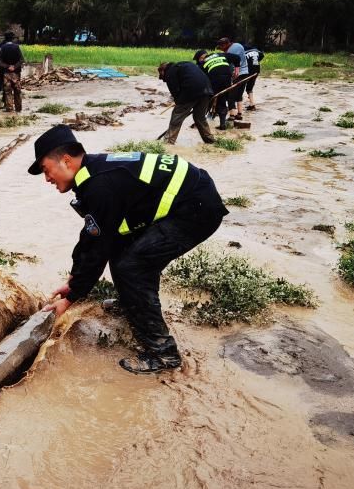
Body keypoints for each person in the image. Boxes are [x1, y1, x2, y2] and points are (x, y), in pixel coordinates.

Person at [32, 125, 228, 373]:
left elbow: (98, 246)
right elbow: (94, 236)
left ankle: (164, 355)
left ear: (66, 161)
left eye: (46, 170)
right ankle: (132, 303)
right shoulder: (94, 172)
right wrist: (75, 279)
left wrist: (71, 298)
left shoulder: (99, 184)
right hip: (190, 198)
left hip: (196, 210)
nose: (46, 178)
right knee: (122, 250)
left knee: (133, 266)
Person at [157, 61, 215, 144]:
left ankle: (168, 142)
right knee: (200, 117)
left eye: (161, 76)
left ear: (163, 71)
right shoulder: (184, 64)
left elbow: (176, 93)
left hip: (191, 91)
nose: (163, 79)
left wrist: (180, 107)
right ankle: (210, 140)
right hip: (207, 91)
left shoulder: (170, 72)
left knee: (177, 116)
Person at [195, 49, 237, 131]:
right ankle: (223, 123)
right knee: (223, 99)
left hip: (216, 79)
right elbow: (237, 57)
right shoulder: (219, 55)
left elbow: (202, 79)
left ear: (202, 57)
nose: (199, 61)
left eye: (199, 59)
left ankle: (202, 121)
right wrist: (237, 68)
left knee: (209, 99)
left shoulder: (203, 63)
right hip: (227, 78)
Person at [217, 37, 248, 121]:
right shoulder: (238, 45)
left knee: (230, 95)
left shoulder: (231, 51)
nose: (222, 50)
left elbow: (230, 67)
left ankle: (232, 116)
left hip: (237, 74)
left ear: (226, 44)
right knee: (239, 95)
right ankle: (239, 114)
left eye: (221, 47)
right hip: (245, 73)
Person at [0, 31, 23, 112]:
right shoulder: (17, 47)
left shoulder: (2, 48)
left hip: (6, 73)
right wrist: (14, 66)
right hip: (16, 73)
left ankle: (9, 108)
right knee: (17, 91)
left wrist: (7, 66)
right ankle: (18, 109)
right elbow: (21, 60)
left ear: (5, 38)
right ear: (13, 38)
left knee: (8, 91)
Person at [244, 45, 265, 110]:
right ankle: (252, 104)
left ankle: (236, 104)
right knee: (250, 87)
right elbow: (262, 55)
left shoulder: (245, 53)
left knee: (240, 88)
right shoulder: (257, 51)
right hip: (256, 71)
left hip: (248, 71)